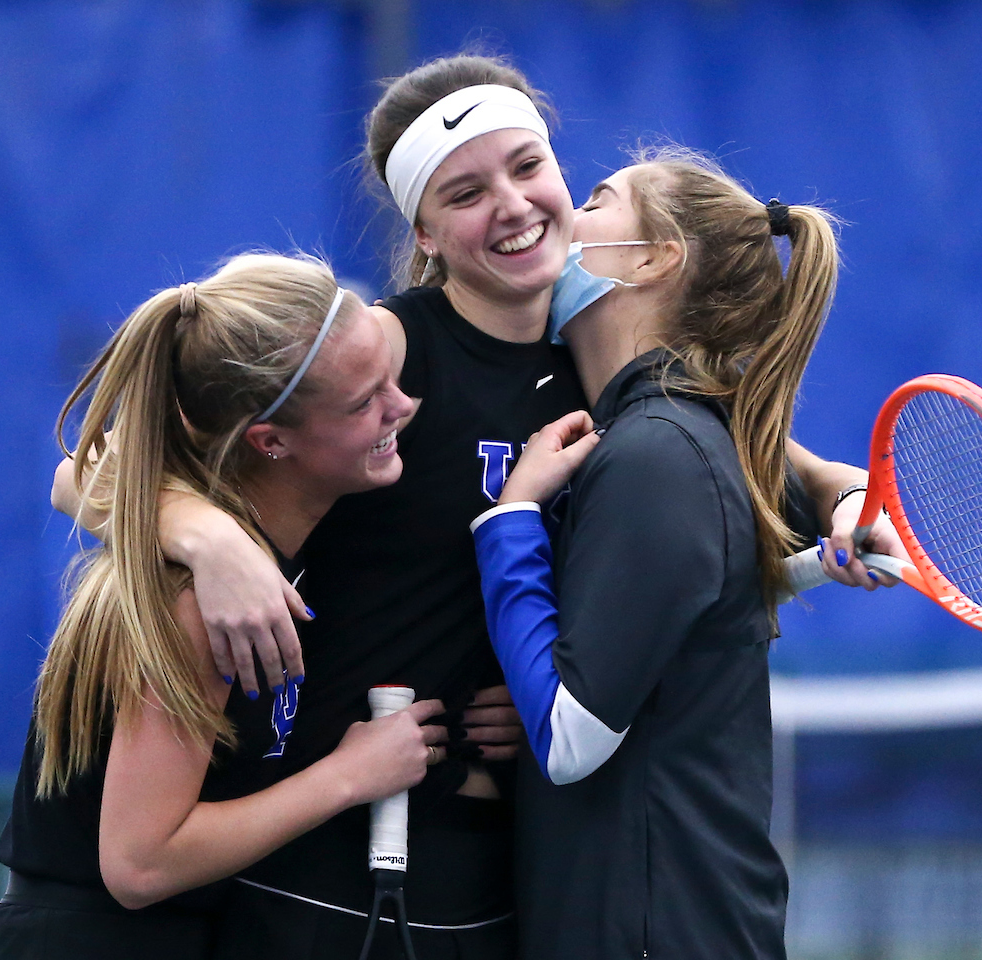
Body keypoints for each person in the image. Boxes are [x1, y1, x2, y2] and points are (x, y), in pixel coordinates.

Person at [51, 55, 899, 960]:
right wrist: (210, 539)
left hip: (503, 874)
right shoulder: (386, 353)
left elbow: (787, 463)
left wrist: (849, 500)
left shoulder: (605, 371)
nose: (512, 204)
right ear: (425, 231)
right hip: (336, 860)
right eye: (465, 193)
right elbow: (85, 472)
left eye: (528, 167)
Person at [0, 253, 447, 960]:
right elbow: (140, 864)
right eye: (364, 402)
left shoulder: (238, 546)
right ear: (270, 441)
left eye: (392, 378)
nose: (402, 406)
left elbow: (88, 477)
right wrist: (352, 774)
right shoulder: (207, 601)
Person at [470, 150, 861, 959]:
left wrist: (510, 519)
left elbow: (570, 737)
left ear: (654, 258)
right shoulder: (670, 431)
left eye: (595, 202)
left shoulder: (657, 452)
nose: (561, 215)